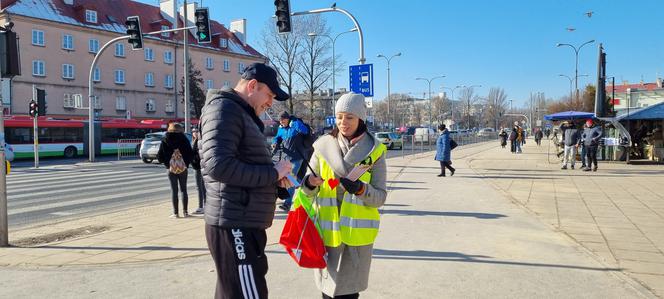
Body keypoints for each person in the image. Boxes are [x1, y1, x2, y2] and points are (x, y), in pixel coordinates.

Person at [199, 62, 293, 299]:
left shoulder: (239, 112)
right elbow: (218, 165)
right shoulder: (224, 110)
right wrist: (273, 173)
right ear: (252, 86)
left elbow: (239, 163)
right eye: (269, 95)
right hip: (234, 221)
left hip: (241, 218)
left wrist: (274, 178)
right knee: (248, 293)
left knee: (234, 291)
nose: (271, 102)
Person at [299, 92, 387, 299]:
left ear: (361, 119)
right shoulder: (322, 146)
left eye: (349, 117)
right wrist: (310, 183)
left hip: (356, 237)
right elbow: (305, 189)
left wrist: (360, 189)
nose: (343, 122)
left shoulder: (374, 151)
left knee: (348, 294)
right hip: (328, 234)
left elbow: (380, 197)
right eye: (339, 117)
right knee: (327, 293)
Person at [272, 111, 311, 211]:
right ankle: (302, 185)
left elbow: (305, 131)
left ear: (287, 118)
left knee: (290, 179)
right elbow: (277, 138)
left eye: (283, 120)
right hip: (285, 157)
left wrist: (294, 124)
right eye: (280, 120)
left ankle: (287, 204)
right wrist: (274, 142)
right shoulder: (281, 128)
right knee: (284, 179)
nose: (281, 122)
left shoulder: (295, 124)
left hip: (297, 157)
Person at [157, 122, 194, 218]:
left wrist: (167, 163)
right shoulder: (184, 139)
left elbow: (160, 156)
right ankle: (185, 212)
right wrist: (185, 163)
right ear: (180, 129)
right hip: (183, 168)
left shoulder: (165, 139)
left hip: (170, 168)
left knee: (174, 191)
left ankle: (176, 213)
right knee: (183, 190)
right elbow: (190, 154)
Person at [191, 127, 205, 214]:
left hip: (198, 166)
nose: (194, 133)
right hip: (197, 166)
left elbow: (199, 154)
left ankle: (201, 206)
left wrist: (194, 160)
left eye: (196, 131)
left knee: (199, 187)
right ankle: (203, 205)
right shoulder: (194, 140)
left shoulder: (199, 141)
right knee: (201, 187)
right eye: (193, 131)